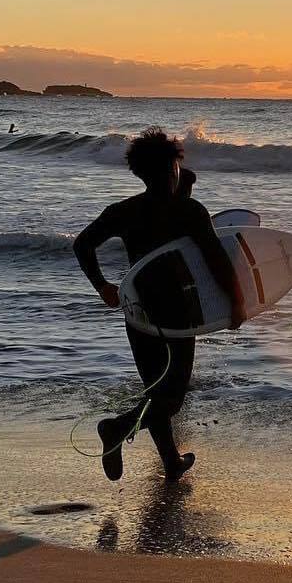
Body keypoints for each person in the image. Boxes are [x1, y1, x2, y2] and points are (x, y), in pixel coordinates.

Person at [73, 128, 245, 483]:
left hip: (138, 310)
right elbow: (216, 260)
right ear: (172, 169)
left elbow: (82, 245)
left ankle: (170, 463)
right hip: (178, 312)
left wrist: (102, 285)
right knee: (171, 398)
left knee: (156, 389)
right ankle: (116, 427)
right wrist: (237, 302)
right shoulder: (190, 211)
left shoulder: (123, 211)